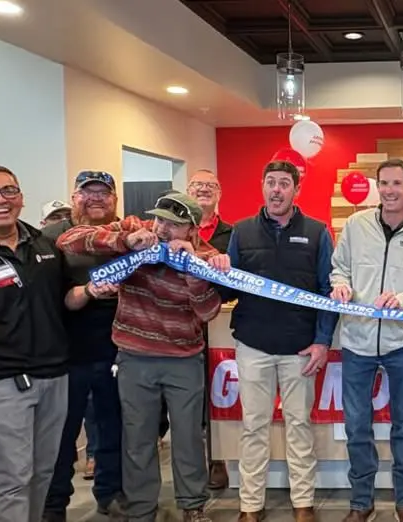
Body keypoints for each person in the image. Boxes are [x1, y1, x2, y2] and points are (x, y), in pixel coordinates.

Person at [56, 191, 224, 522]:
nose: (161, 229)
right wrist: (125, 240)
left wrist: (193, 270)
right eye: (160, 219)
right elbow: (68, 240)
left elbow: (209, 312)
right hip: (135, 356)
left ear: (191, 229)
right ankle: (141, 509)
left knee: (189, 437)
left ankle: (192, 506)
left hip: (183, 358)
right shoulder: (136, 229)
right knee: (138, 437)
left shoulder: (206, 254)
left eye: (173, 225)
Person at [215, 161, 337, 522]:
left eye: (285, 183)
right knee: (254, 426)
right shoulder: (242, 232)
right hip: (253, 344)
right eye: (271, 182)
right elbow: (226, 289)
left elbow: (327, 291)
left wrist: (322, 341)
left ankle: (303, 503)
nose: (277, 190)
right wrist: (218, 267)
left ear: (296, 190)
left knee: (299, 425)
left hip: (300, 348)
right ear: (263, 187)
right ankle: (250, 506)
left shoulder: (317, 232)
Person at [331, 159, 403, 522]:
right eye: (384, 183)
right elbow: (339, 268)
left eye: (397, 183)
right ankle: (360, 503)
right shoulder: (355, 224)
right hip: (357, 341)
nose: (390, 190)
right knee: (356, 426)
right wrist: (340, 285)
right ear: (376, 186)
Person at [0, 160, 71, 522]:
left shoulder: (45, 244)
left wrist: (93, 290)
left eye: (8, 190)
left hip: (54, 374)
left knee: (41, 474)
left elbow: (65, 298)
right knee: (11, 480)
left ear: (21, 196)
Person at [42, 170, 124, 521]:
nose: (95, 199)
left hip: (118, 350)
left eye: (103, 193)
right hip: (66, 353)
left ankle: (111, 493)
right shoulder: (49, 238)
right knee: (60, 437)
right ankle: (54, 504)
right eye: (87, 192)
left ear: (114, 199)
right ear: (74, 197)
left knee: (114, 429)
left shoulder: (128, 235)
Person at [186, 167, 233, 490]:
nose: (204, 189)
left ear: (219, 193)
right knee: (189, 398)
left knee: (215, 391)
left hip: (217, 323)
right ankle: (191, 464)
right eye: (197, 185)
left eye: (210, 185)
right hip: (180, 323)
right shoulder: (173, 231)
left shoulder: (233, 233)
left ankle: (217, 457)